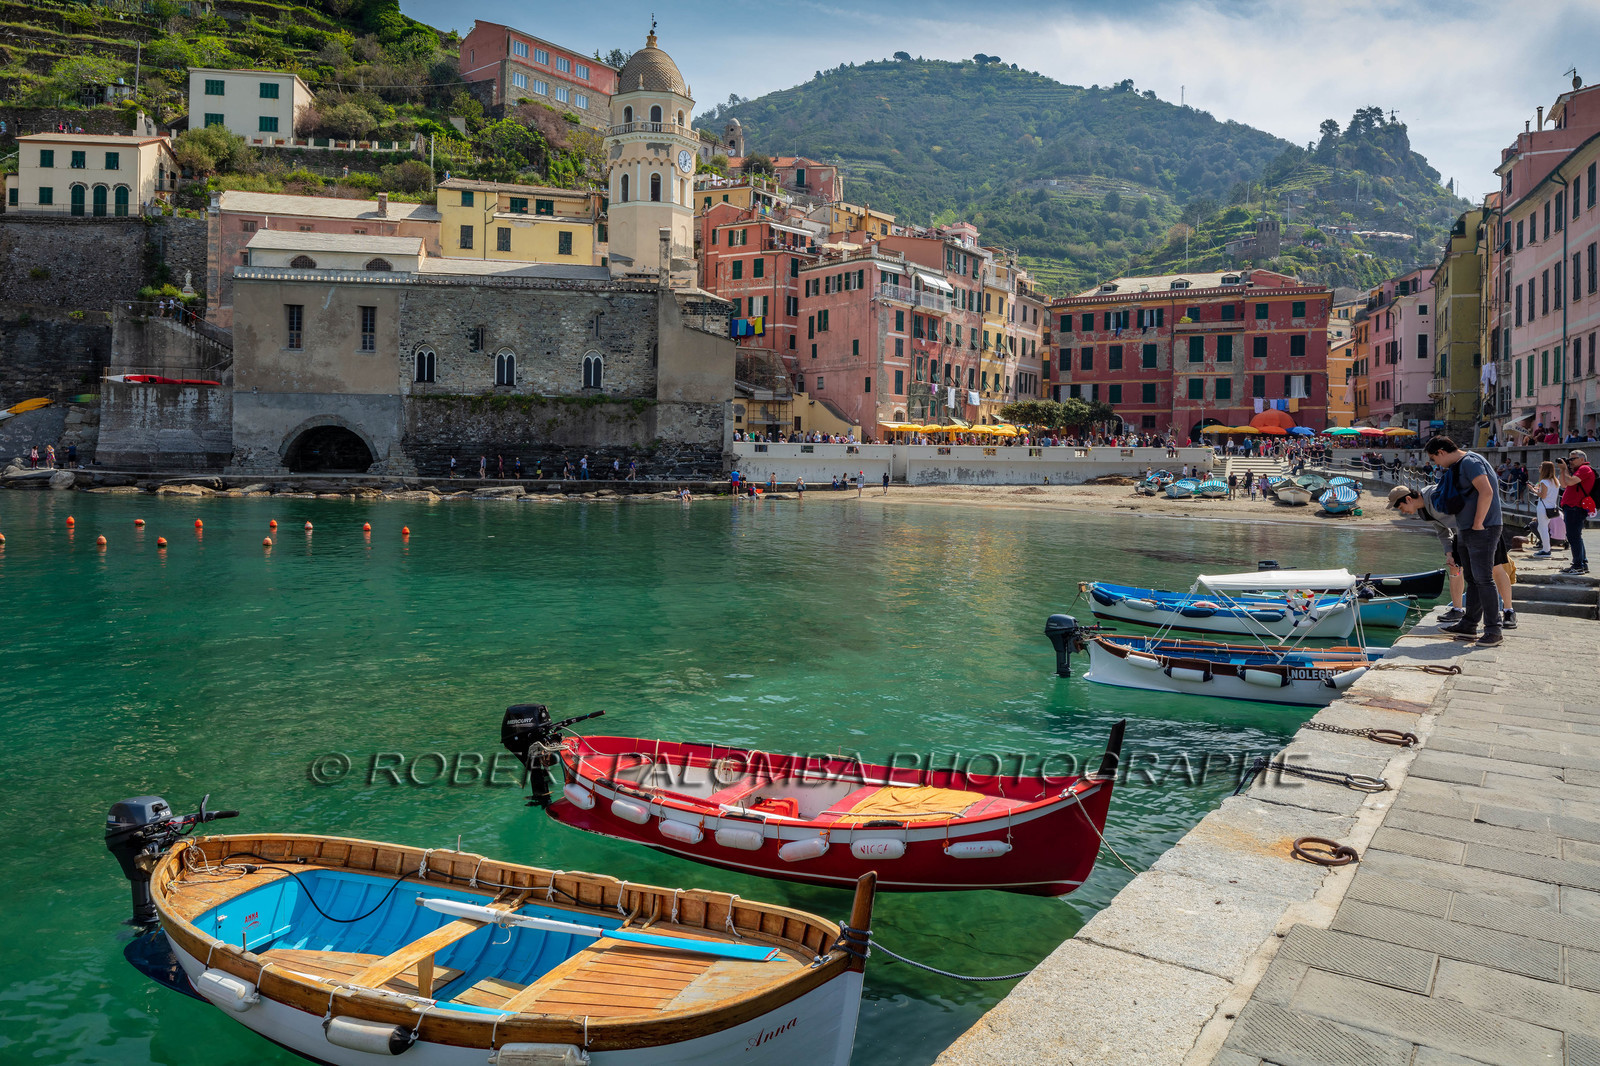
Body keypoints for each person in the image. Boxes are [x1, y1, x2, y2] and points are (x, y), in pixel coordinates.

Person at [1388, 483, 1515, 629]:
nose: (1403, 512)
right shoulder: (1423, 512)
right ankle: (1457, 609)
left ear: (1408, 499)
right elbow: (1442, 531)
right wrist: (1449, 553)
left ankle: (1508, 611)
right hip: (1460, 532)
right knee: (1455, 568)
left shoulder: (1436, 495)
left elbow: (1467, 502)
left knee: (1495, 568)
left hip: (1483, 526)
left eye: (1401, 508)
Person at [1421, 436, 1505, 645]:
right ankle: (1469, 624)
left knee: (1484, 579)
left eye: (1434, 459)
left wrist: (1478, 523)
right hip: (1467, 529)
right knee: (1474, 579)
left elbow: (1487, 491)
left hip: (1482, 529)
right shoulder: (1461, 465)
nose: (1436, 464)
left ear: (1441, 451)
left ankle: (1494, 630)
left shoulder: (1470, 462)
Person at [1557, 450, 1596, 575]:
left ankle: (1578, 566)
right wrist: (1563, 470)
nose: (1570, 461)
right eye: (1569, 459)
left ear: (1582, 459)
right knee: (1575, 536)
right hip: (1571, 507)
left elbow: (1570, 482)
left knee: (1573, 537)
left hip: (1576, 508)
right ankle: (1581, 563)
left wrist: (1565, 469)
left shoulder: (1585, 469)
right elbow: (1563, 484)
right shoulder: (1576, 471)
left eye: (1573, 459)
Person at [1532, 461, 1561, 558]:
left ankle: (1546, 550)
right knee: (1542, 528)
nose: (1539, 467)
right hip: (1551, 507)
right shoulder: (1555, 481)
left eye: (1541, 466)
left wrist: (1533, 490)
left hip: (1543, 507)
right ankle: (1546, 548)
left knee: (1542, 528)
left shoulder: (1544, 481)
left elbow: (1543, 496)